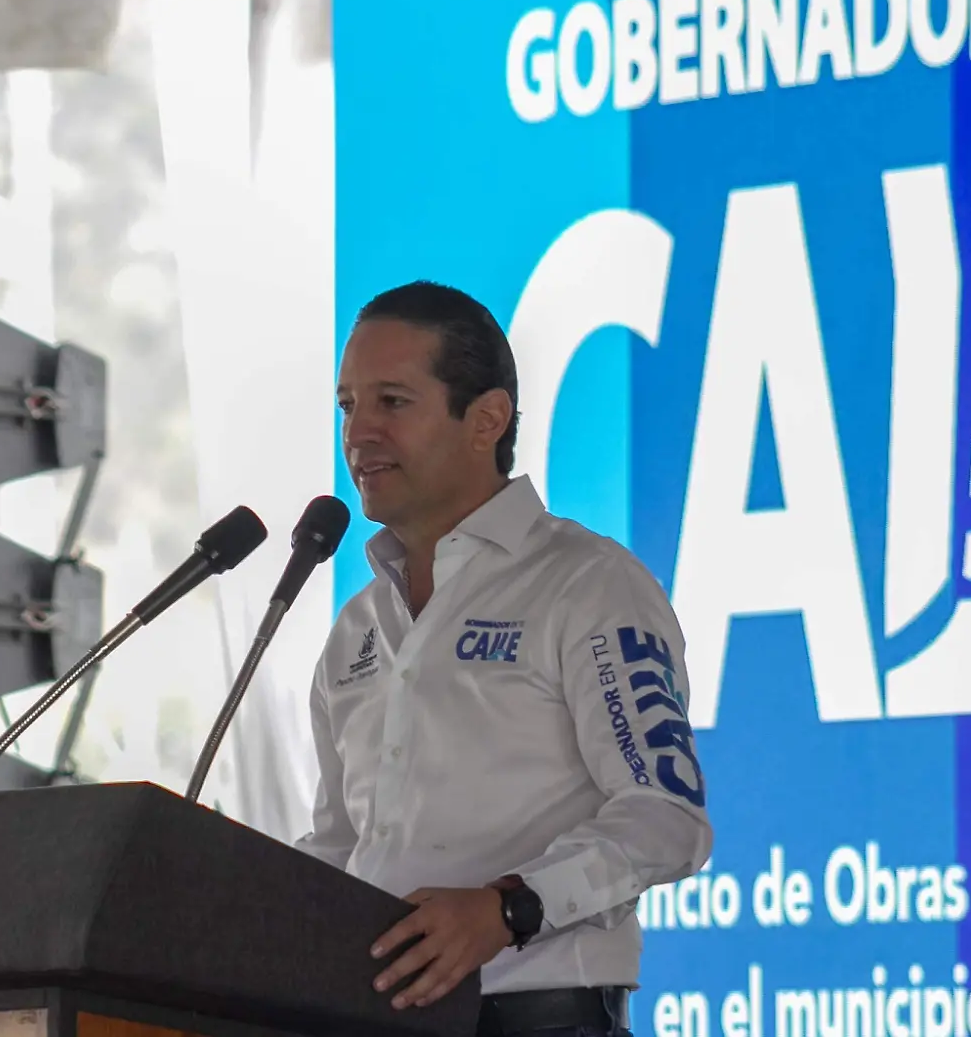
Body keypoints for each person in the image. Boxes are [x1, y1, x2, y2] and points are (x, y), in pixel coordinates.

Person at [293, 280, 714, 1037]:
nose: (359, 434)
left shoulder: (587, 584)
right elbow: (337, 846)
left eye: (392, 401)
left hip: (539, 1018)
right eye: (347, 405)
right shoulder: (355, 627)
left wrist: (511, 909)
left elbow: (665, 816)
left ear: (486, 418)